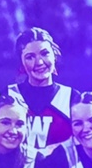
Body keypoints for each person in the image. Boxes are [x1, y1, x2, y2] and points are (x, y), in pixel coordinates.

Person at [7, 27, 73, 158]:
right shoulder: (9, 95)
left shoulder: (72, 98)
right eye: (30, 57)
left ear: (54, 55)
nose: (39, 62)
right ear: (21, 63)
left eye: (45, 53)